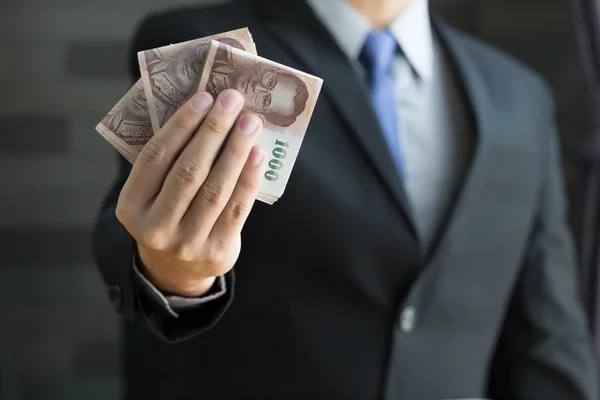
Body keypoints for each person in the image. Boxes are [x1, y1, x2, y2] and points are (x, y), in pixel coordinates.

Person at [92, 0, 599, 398]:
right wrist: (176, 275)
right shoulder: (199, 48)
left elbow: (548, 335)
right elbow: (127, 240)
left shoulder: (519, 94)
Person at [206, 42, 310, 128]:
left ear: (259, 112)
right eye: (270, 82)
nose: (257, 87)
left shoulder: (212, 118)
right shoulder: (229, 47)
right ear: (272, 69)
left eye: (265, 100)